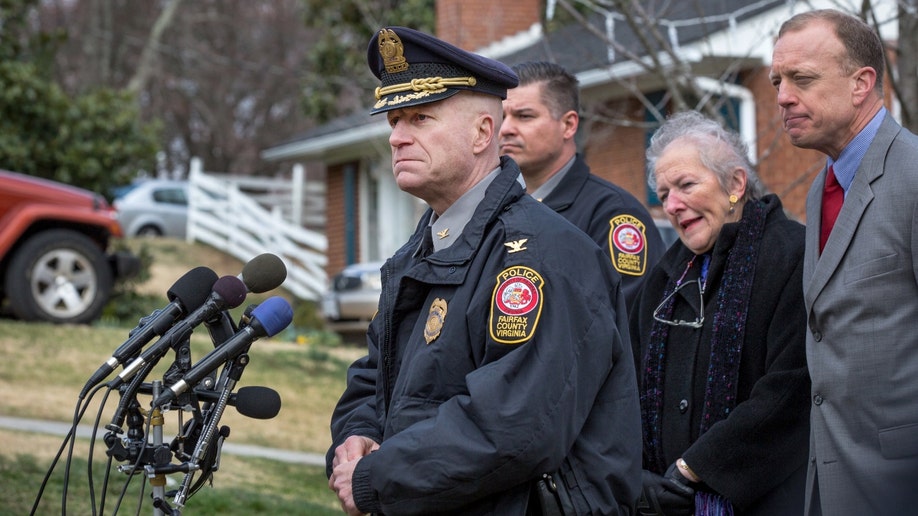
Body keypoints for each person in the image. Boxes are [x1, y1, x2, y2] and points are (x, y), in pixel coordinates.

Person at [326, 26, 641, 515]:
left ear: (482, 133)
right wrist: (356, 437)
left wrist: (377, 476)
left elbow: (515, 425)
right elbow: (375, 377)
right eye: (394, 120)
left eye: (420, 118)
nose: (397, 137)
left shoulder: (542, 254)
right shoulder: (418, 251)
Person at [771, 9, 918, 515]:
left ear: (862, 83)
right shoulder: (820, 188)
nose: (783, 96)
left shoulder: (914, 177)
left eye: (802, 79)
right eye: (777, 81)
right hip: (829, 483)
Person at [629, 110, 810, 515]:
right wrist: (638, 476)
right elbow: (625, 382)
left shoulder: (792, 255)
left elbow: (791, 388)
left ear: (735, 183)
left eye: (686, 185)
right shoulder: (664, 277)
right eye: (663, 193)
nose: (672, 205)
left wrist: (693, 468)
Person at [499, 61, 664, 313]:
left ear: (568, 125)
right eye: (502, 117)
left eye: (524, 116)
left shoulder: (613, 216)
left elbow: (623, 323)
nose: (506, 129)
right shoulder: (495, 210)